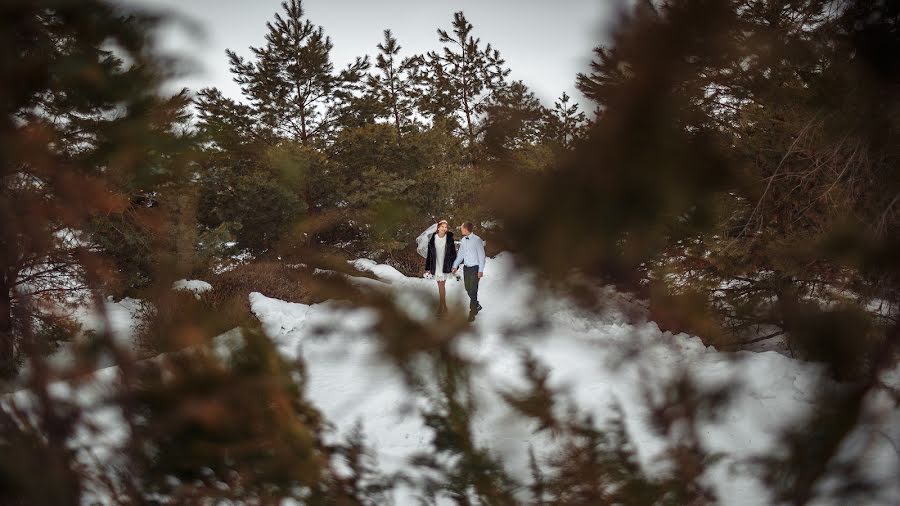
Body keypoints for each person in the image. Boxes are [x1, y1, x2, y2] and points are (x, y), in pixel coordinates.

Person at [451, 222, 486, 321]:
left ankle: (472, 312)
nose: (461, 229)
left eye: (462, 228)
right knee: (468, 288)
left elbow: (482, 257)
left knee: (473, 290)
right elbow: (460, 255)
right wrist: (455, 265)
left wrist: (480, 270)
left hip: (475, 268)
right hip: (466, 268)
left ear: (466, 229)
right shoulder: (463, 240)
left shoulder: (477, 240)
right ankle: (476, 305)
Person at [424, 220, 457, 316]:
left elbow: (453, 253)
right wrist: (428, 268)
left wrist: (455, 265)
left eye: (446, 227)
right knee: (439, 286)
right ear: (438, 227)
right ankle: (443, 306)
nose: (444, 228)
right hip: (436, 265)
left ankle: (442, 307)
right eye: (442, 226)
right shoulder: (433, 238)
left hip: (445, 265)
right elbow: (429, 255)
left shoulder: (449, 238)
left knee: (442, 285)